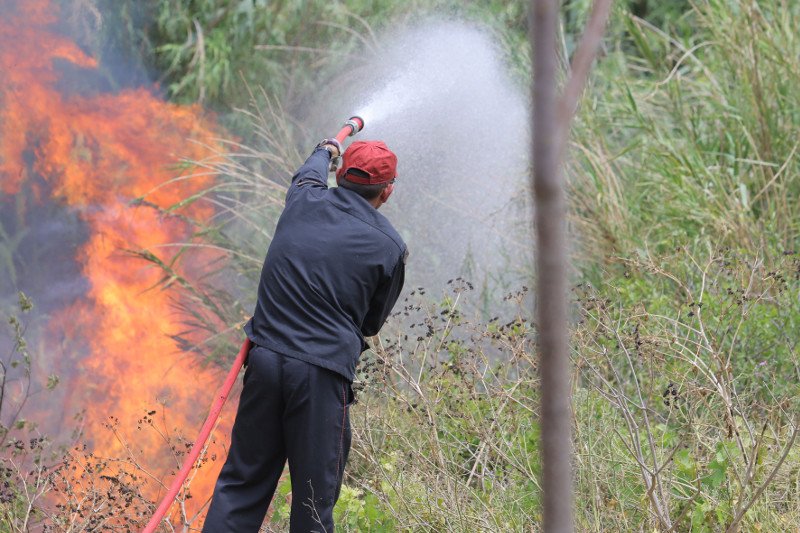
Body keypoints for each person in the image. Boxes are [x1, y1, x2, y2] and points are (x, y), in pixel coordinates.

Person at [202, 136, 407, 532]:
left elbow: (309, 170)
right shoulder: (390, 246)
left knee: (242, 484)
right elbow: (371, 324)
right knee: (314, 502)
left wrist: (327, 147)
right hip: (321, 376)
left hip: (264, 361)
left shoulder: (303, 199)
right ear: (387, 191)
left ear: (341, 175)